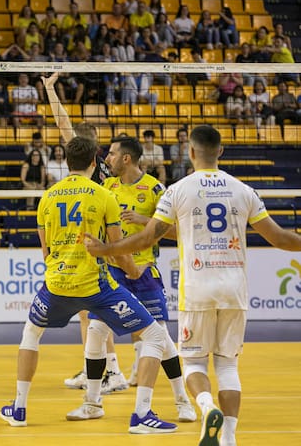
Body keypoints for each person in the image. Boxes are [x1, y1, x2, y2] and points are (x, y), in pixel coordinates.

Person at [85, 124, 301, 446]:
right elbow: (280, 238)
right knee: (228, 367)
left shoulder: (177, 190)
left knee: (195, 363)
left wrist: (105, 250)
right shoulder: (243, 190)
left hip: (198, 289)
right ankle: (229, 438)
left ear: (190, 152)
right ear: (221, 151)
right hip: (234, 290)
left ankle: (206, 406)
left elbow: (146, 238)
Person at [0, 136, 177, 434]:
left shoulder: (47, 197)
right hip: (95, 285)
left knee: (31, 333)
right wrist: (134, 272)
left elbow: (46, 252)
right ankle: (141, 415)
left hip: (56, 284)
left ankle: (19, 408)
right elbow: (117, 250)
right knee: (156, 336)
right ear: (94, 162)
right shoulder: (104, 195)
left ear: (67, 161)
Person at [102, 136, 196, 421]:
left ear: (126, 158)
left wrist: (146, 221)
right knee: (95, 328)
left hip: (144, 269)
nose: (107, 158)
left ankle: (182, 399)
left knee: (161, 335)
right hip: (114, 268)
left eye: (111, 153)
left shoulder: (156, 189)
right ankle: (93, 399)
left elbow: (180, 232)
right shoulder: (107, 187)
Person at [42, 73, 121, 394]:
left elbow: (63, 124)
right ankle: (99, 368)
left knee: (94, 313)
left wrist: (49, 89)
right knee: (91, 314)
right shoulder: (106, 168)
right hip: (100, 240)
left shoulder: (93, 167)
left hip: (94, 245)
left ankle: (111, 371)